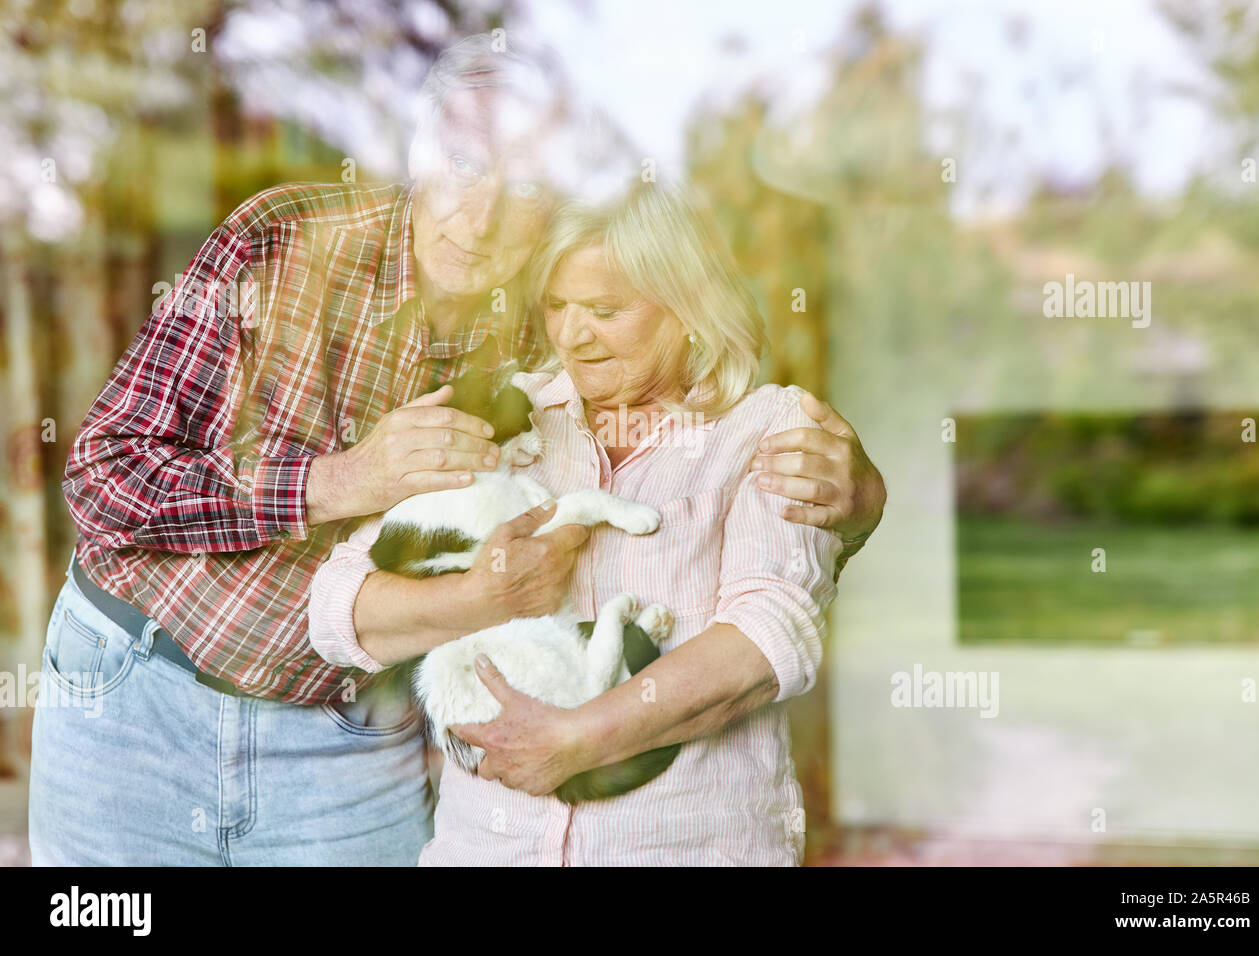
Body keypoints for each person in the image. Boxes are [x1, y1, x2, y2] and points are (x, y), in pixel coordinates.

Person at [29, 34, 884, 866]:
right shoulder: (283, 242)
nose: (481, 218)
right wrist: (344, 480)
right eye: (465, 166)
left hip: (350, 731)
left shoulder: (549, 322)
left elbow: (718, 484)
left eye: (525, 187)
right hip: (140, 684)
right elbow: (106, 477)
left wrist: (862, 500)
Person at [311, 183, 844, 865]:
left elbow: (770, 639)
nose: (571, 334)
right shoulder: (509, 410)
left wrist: (578, 740)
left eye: (604, 309)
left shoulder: (767, 427)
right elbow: (334, 609)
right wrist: (477, 598)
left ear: (689, 310)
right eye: (557, 306)